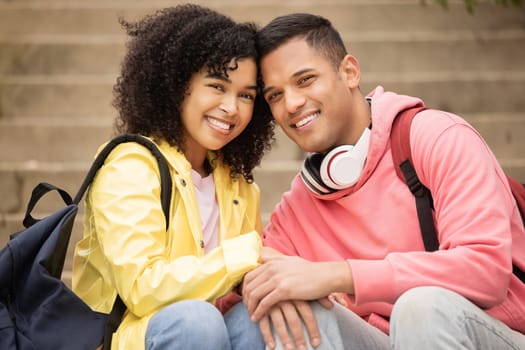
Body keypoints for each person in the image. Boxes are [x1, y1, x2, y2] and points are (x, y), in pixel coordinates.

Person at [241, 12, 525, 350]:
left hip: (493, 332)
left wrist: (341, 275)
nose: (292, 104)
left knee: (420, 309)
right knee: (286, 310)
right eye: (275, 95)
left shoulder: (437, 137)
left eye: (305, 80)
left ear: (349, 72)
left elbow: (485, 271)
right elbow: (249, 285)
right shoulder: (298, 208)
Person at [71, 4, 274, 350]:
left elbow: (244, 281)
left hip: (207, 335)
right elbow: (142, 288)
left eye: (246, 95)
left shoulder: (237, 182)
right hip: (129, 339)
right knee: (198, 321)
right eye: (217, 86)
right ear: (177, 86)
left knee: (263, 317)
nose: (232, 107)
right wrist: (245, 254)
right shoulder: (130, 165)